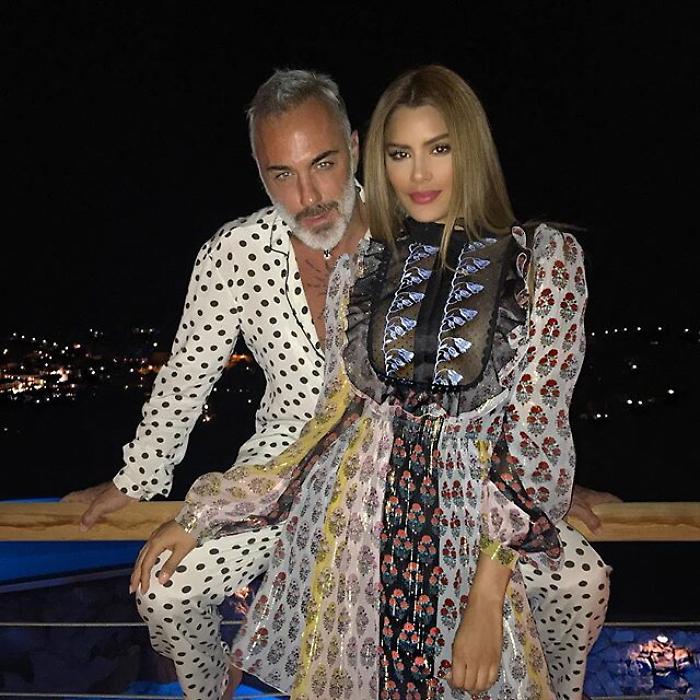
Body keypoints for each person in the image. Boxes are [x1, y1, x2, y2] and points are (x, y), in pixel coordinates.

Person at [63, 69, 612, 699]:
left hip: (450, 482)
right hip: (283, 468)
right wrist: (138, 481)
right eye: (282, 174)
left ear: (353, 148)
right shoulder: (238, 253)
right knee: (166, 591)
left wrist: (546, 482)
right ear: (259, 173)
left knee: (579, 583)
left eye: (323, 163)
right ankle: (215, 688)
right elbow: (186, 377)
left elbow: (519, 385)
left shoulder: (408, 221)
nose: (309, 194)